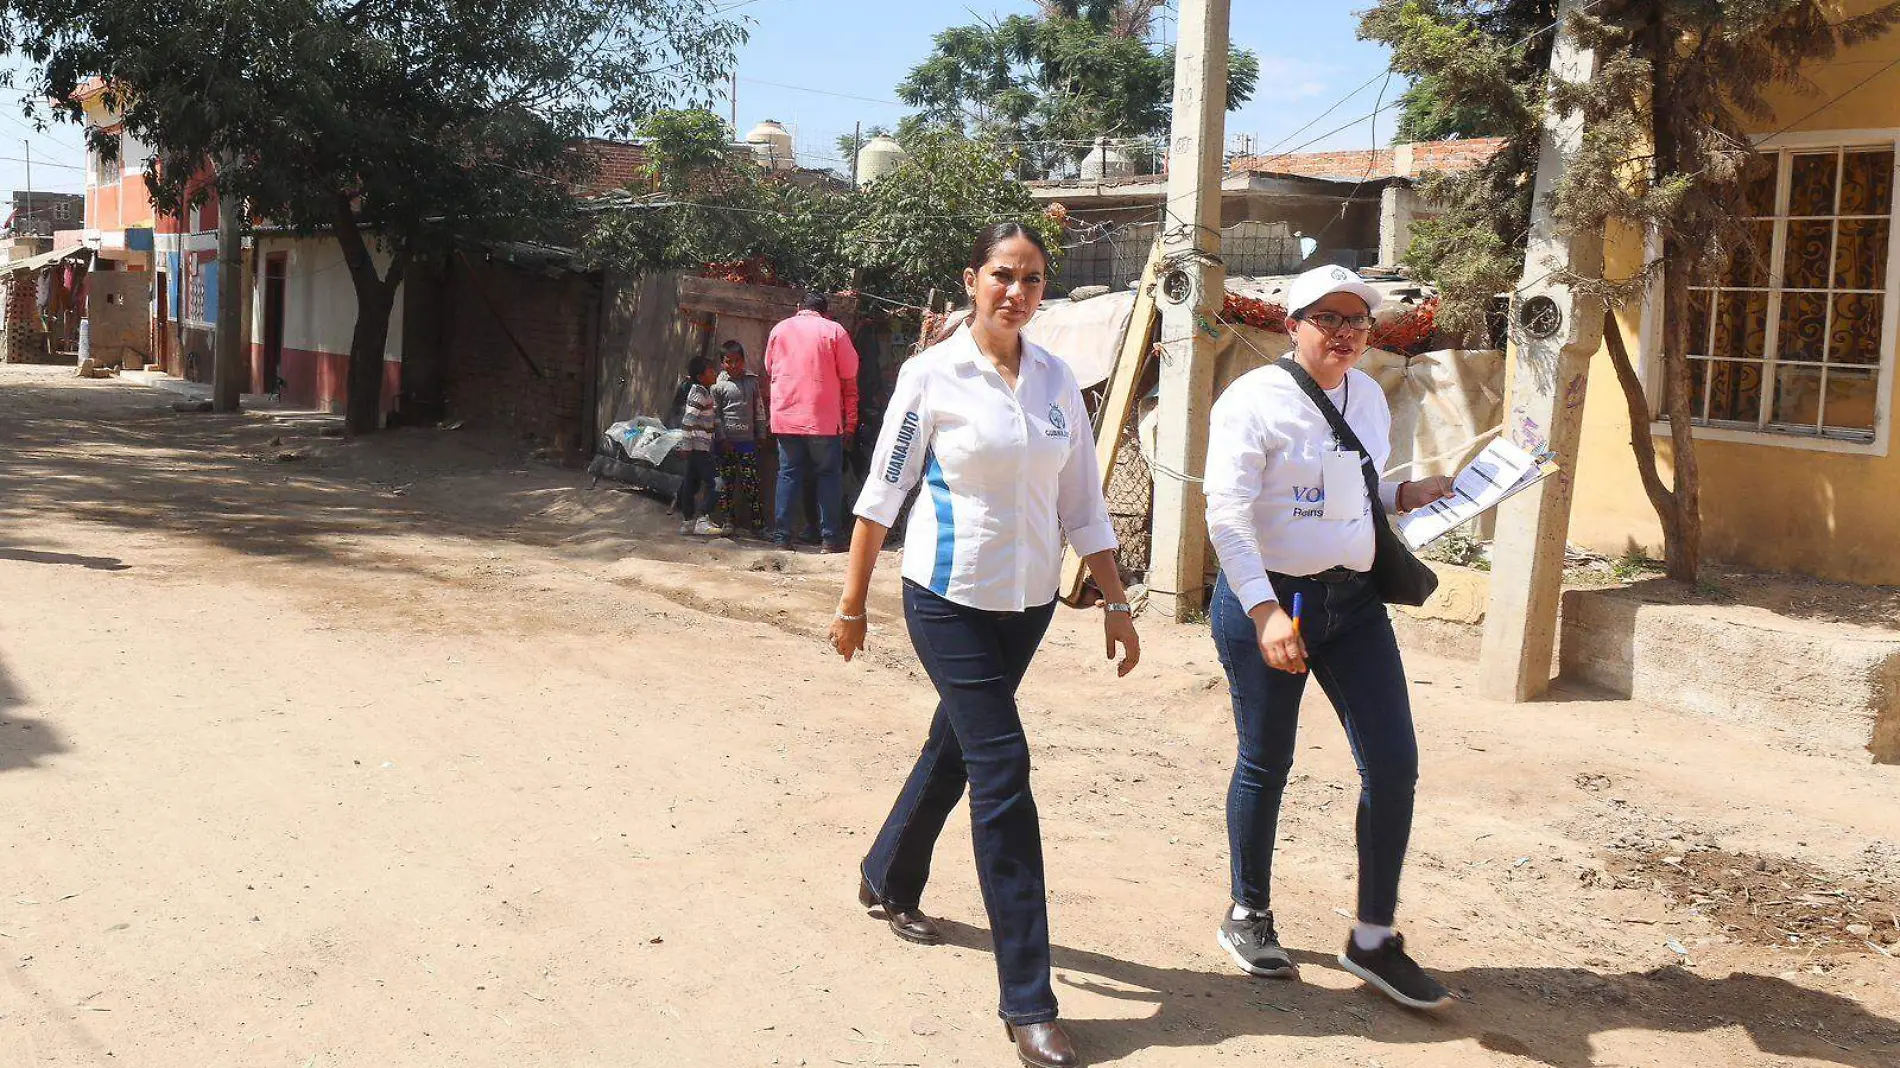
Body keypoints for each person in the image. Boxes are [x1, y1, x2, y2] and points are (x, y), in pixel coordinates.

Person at [831, 223, 1141, 1068]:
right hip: (948, 598)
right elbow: (881, 492)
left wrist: (1115, 600)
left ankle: (887, 872)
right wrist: (853, 602)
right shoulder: (930, 376)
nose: (1017, 291)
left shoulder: (1058, 380)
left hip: (1029, 602)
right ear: (973, 280)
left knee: (960, 747)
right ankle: (1029, 1002)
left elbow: (1083, 504)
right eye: (1003, 275)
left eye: (1033, 279)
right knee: (1003, 771)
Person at [1202, 264, 1456, 1010]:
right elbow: (1228, 515)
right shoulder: (1252, 402)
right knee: (1266, 759)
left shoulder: (1370, 395)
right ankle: (1248, 912)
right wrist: (1264, 612)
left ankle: (1373, 938)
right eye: (1328, 319)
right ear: (1293, 325)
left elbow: (1361, 490)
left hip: (1355, 606)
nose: (1345, 333)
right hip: (1273, 601)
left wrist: (1406, 495)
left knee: (1394, 764)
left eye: (1357, 322)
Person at [764, 291, 859, 552]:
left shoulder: (779, 329)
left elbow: (769, 367)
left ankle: (782, 537)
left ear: (799, 307)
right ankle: (830, 538)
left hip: (786, 416)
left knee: (789, 474)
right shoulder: (834, 330)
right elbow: (850, 371)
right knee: (828, 475)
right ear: (825, 312)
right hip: (823, 419)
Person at [712, 340, 768, 534]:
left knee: (751, 484)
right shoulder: (718, 386)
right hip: (726, 444)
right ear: (722, 363)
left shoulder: (752, 382)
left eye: (737, 361)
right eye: (729, 362)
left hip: (747, 443)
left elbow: (759, 409)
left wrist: (761, 434)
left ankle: (758, 525)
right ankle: (728, 521)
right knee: (726, 485)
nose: (733, 365)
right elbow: (715, 415)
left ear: (743, 361)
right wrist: (722, 438)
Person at [671, 355, 725, 537]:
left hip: (698, 447)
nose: (715, 373)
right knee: (716, 483)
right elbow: (688, 421)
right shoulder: (700, 394)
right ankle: (703, 518)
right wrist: (686, 445)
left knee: (690, 484)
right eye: (711, 371)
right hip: (698, 448)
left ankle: (687, 522)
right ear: (701, 376)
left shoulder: (704, 392)